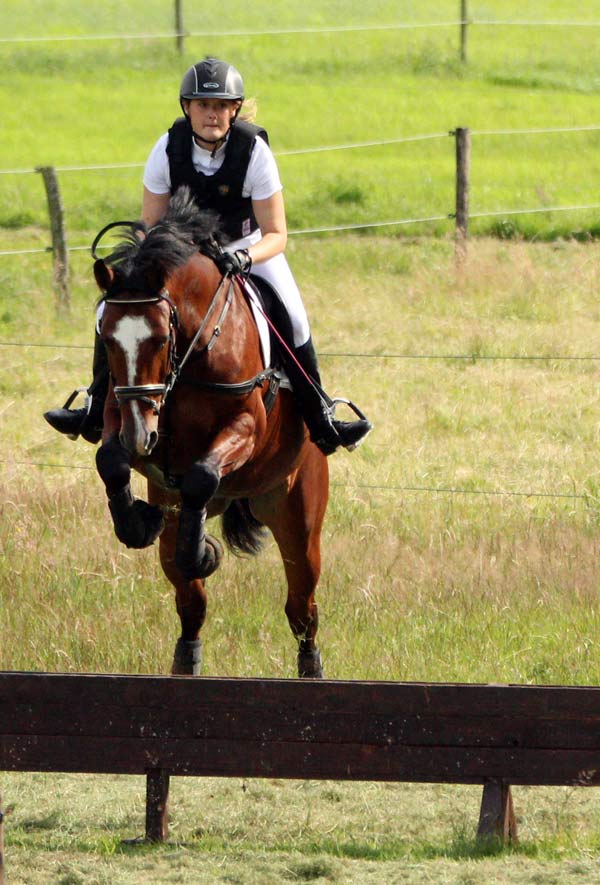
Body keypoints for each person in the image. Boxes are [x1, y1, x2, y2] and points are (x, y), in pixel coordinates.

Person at [44, 57, 372, 455]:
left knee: (295, 318)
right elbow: (150, 225)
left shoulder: (254, 151)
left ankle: (322, 417)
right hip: (182, 257)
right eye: (202, 105)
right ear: (187, 107)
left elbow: (276, 234)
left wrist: (245, 258)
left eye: (220, 105)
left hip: (245, 249)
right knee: (109, 310)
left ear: (234, 109)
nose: (211, 114)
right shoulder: (167, 148)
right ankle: (94, 407)